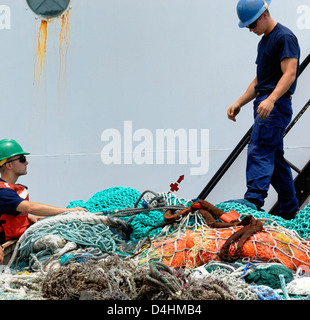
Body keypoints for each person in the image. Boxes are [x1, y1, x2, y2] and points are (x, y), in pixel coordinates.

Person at [227, 0, 300, 220]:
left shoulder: (284, 37)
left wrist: (272, 100)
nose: (250, 30)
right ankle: (290, 211)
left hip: (273, 105)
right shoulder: (266, 41)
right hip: (266, 103)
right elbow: (261, 79)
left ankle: (253, 200)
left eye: (251, 24)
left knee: (259, 149)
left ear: (264, 15)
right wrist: (239, 102)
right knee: (275, 159)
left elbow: (290, 73)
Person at [0, 139, 88, 263]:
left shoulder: (10, 190)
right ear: (8, 165)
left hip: (14, 245)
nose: (27, 162)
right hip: (5, 251)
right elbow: (30, 207)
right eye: (22, 159)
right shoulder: (3, 192)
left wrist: (28, 219)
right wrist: (68, 211)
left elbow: (7, 215)